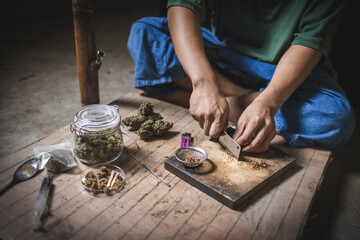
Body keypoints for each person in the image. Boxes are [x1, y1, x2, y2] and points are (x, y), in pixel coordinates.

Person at [127, 0, 355, 153]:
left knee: (333, 118)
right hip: (227, 53)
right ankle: (227, 98)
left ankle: (184, 96)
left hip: (289, 69)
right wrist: (203, 82)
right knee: (144, 31)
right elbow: (182, 6)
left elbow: (309, 44)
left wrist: (267, 103)